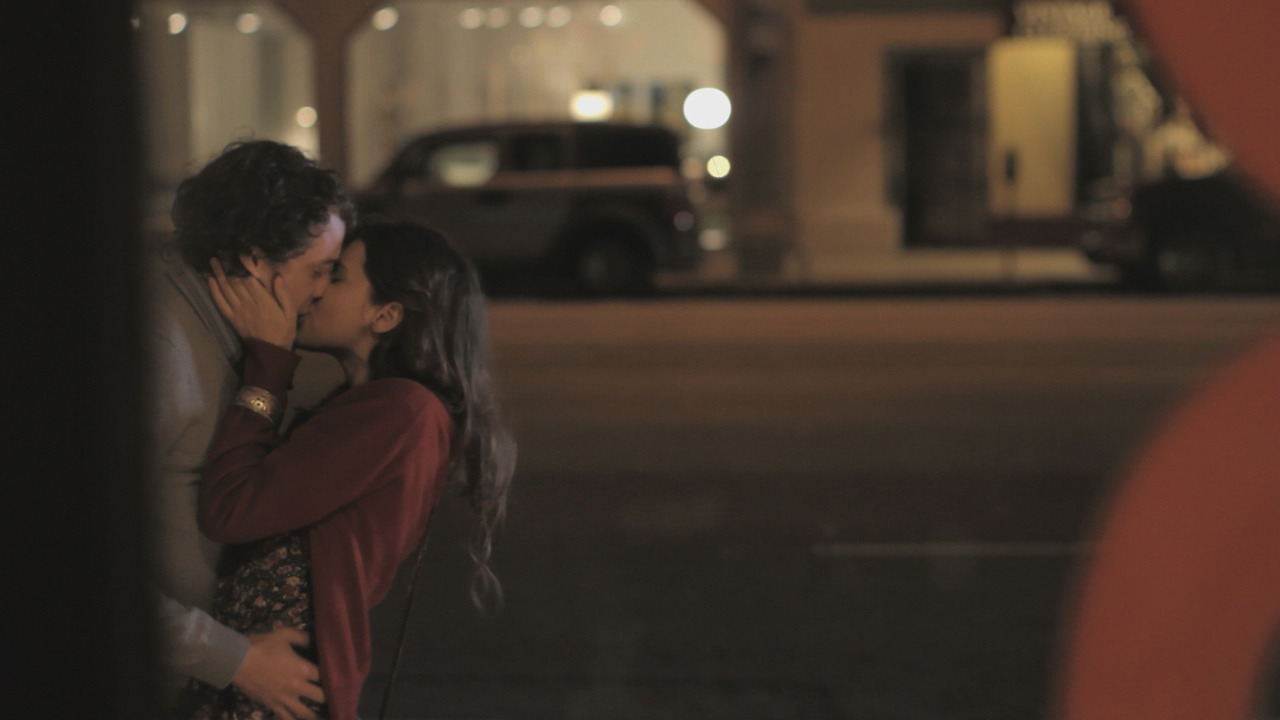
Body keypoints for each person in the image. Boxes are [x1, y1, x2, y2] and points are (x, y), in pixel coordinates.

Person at [182, 218, 515, 720]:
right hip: (264, 676)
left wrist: (268, 366)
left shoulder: (401, 412)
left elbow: (229, 507)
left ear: (385, 315)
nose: (315, 291)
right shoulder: (382, 407)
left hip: (274, 689)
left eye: (335, 277)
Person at [152, 139, 353, 720]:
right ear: (256, 261)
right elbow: (72, 551)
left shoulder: (225, 337)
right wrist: (232, 659)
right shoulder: (164, 351)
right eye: (319, 270)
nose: (322, 291)